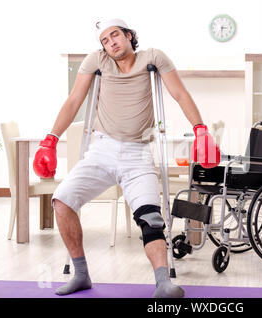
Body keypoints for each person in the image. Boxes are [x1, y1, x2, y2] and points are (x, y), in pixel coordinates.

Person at [32, 18, 220, 298]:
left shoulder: (153, 57)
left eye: (115, 35)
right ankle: (81, 274)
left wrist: (201, 129)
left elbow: (180, 94)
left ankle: (163, 282)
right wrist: (51, 139)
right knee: (62, 200)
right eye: (105, 41)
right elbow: (74, 100)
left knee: (151, 219)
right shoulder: (96, 61)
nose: (111, 43)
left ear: (130, 36)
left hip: (137, 153)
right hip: (101, 150)